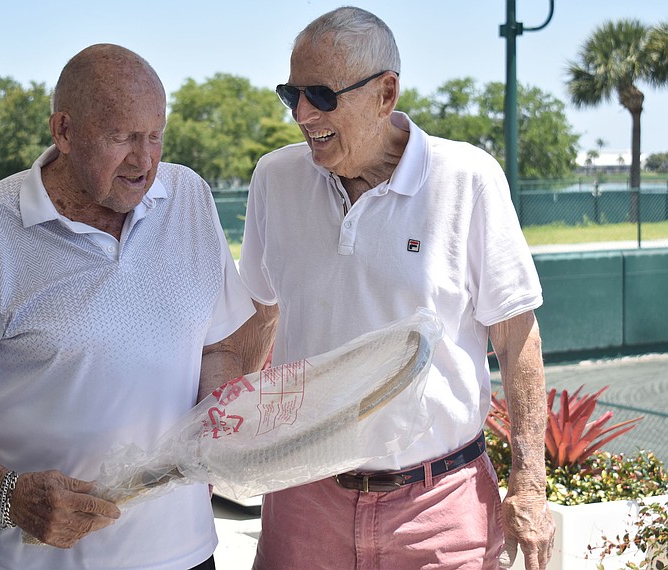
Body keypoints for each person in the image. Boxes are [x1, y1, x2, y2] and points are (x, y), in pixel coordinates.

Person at [0, 44, 255, 570]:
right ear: (63, 132)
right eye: (121, 137)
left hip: (187, 554)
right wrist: (8, 493)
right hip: (39, 561)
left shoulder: (189, 199)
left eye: (155, 136)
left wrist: (219, 416)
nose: (144, 161)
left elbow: (217, 345)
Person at [238, 7, 555, 570]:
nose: (302, 114)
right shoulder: (273, 178)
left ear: (386, 94)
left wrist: (529, 482)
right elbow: (260, 317)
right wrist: (217, 438)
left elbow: (515, 336)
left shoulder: (468, 179)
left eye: (321, 94)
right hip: (302, 501)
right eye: (292, 95)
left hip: (441, 507)